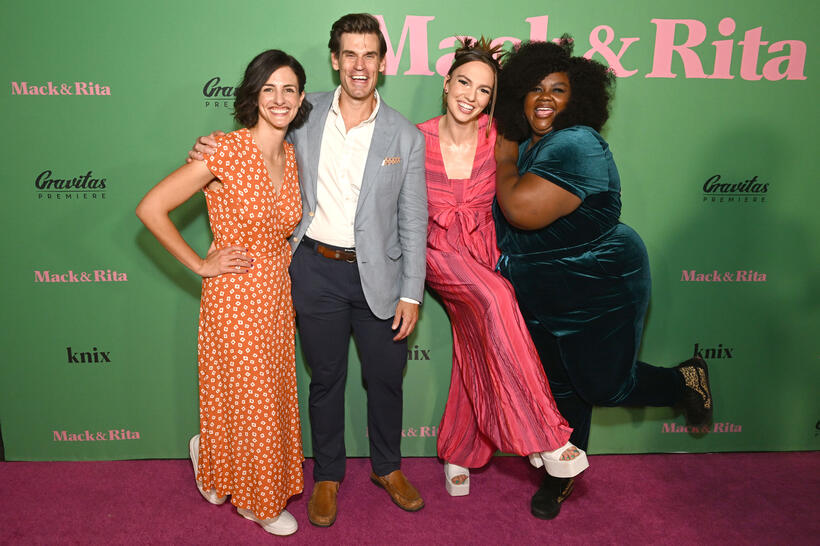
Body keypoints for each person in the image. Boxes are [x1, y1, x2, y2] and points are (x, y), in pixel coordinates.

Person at [190, 13, 427, 528]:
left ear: (382, 64)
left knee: (386, 378)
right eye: (349, 54)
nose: (359, 65)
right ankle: (327, 475)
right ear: (335, 60)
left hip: (379, 280)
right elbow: (254, 143)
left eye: (369, 54)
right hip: (313, 270)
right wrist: (210, 147)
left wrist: (412, 293)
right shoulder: (303, 110)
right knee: (325, 378)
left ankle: (388, 468)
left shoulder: (405, 136)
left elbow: (413, 223)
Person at [492, 38, 714, 519]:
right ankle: (562, 474)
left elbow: (521, 209)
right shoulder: (536, 142)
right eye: (534, 88)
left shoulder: (577, 144)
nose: (545, 97)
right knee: (560, 388)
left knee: (603, 388)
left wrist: (504, 150)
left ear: (579, 99)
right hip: (540, 294)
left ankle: (685, 380)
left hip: (598, 288)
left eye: (559, 89)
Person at [136, 49, 311, 536]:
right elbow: (151, 208)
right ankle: (258, 500)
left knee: (263, 393)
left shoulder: (292, 155)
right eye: (268, 88)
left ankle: (212, 459)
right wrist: (199, 264)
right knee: (251, 393)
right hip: (234, 296)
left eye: (289, 89)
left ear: (301, 98)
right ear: (253, 95)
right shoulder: (225, 151)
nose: (279, 99)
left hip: (277, 292)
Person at [416, 38, 587, 500]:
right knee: (496, 299)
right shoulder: (414, 138)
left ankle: (459, 450)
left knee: (475, 344)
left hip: (484, 253)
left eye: (485, 90)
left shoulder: (501, 137)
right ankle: (545, 437)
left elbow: (555, 136)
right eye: (464, 83)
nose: (471, 96)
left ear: (494, 98)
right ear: (447, 82)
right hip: (438, 254)